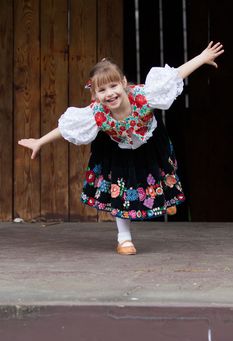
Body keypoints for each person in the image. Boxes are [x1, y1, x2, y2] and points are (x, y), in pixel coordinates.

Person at [18, 41, 224, 255]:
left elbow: (175, 76)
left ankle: (163, 199)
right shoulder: (96, 112)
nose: (109, 93)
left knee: (161, 171)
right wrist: (39, 141)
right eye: (102, 90)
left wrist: (202, 57)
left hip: (150, 141)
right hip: (119, 149)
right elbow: (66, 128)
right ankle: (124, 239)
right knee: (121, 189)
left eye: (114, 86)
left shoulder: (145, 95)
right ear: (95, 94)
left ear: (124, 83)